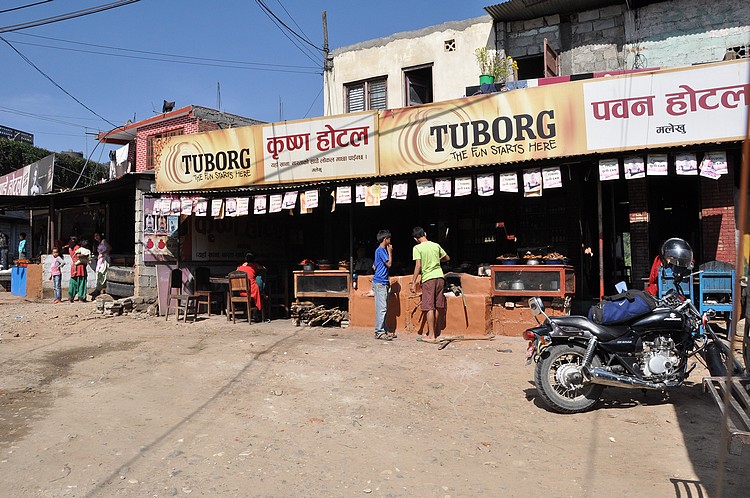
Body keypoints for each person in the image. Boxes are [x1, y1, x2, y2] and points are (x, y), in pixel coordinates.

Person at [410, 226, 450, 340]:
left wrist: (413, 282)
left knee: (429, 307)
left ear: (415, 239)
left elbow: (418, 265)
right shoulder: (436, 245)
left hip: (428, 278)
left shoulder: (417, 248)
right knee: (437, 305)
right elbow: (447, 258)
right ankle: (436, 332)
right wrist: (437, 260)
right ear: (425, 233)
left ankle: (431, 335)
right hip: (440, 277)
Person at [373, 229, 394, 341]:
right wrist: (390, 252)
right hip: (380, 282)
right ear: (385, 239)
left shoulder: (378, 251)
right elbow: (389, 264)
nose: (390, 241)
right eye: (389, 239)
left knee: (383, 307)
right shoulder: (382, 251)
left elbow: (374, 266)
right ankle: (379, 331)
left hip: (381, 281)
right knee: (382, 308)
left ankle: (383, 330)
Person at [63, 236, 87, 302]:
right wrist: (86, 256)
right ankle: (81, 297)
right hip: (80, 266)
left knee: (73, 282)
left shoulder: (70, 248)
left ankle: (70, 297)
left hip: (74, 266)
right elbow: (79, 255)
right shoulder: (78, 247)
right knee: (81, 282)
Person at [92, 232, 112, 297]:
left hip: (104, 259)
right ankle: (98, 288)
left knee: (103, 273)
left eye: (97, 235)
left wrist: (103, 253)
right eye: (95, 236)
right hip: (100, 260)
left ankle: (98, 289)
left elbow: (109, 248)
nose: (96, 237)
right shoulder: (98, 243)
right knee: (98, 273)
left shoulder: (103, 241)